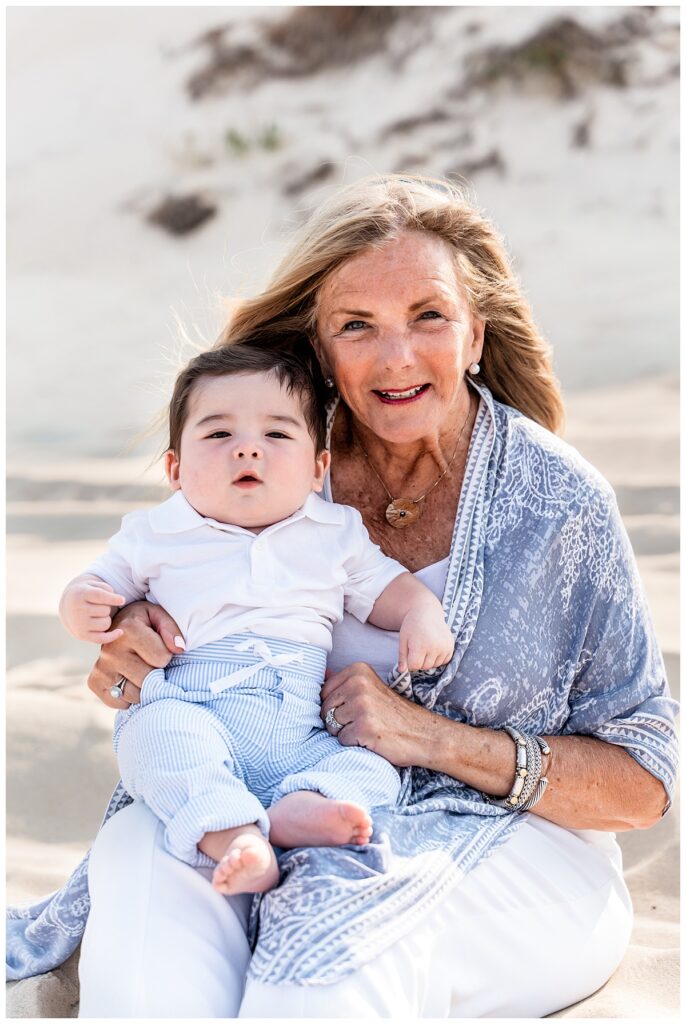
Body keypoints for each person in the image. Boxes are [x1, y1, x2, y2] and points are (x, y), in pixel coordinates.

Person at [7, 174, 678, 1018]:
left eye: (428, 316)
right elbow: (144, 610)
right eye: (357, 326)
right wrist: (133, 650)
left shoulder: (560, 507)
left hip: (510, 847)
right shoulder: (269, 455)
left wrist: (427, 739)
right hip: (240, 798)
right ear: (319, 349)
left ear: (475, 333)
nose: (396, 356)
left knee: (325, 963)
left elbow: (643, 783)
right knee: (150, 944)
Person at [57, 344, 453, 895]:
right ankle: (234, 835)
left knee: (375, 768)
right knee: (154, 739)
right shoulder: (156, 533)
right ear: (174, 468)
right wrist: (82, 604)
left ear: (319, 468)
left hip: (302, 728)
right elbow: (96, 586)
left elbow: (391, 589)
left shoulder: (333, 533)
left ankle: (303, 808)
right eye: (218, 435)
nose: (247, 450)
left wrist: (422, 612)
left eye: (277, 435)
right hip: (195, 709)